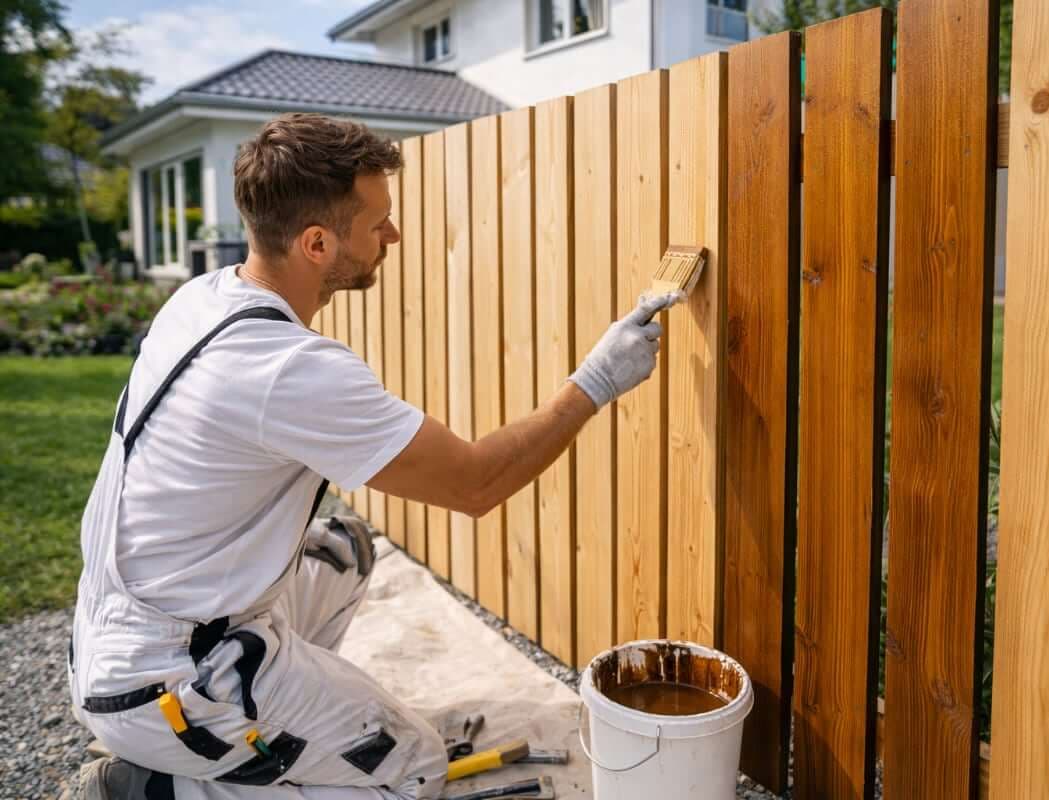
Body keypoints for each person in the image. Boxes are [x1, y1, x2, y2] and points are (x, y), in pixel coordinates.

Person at [65, 113, 677, 800]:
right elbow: (477, 482)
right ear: (318, 243)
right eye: (378, 220)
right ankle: (154, 786)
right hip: (169, 678)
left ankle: (281, 728)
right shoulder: (284, 369)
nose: (393, 234)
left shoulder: (203, 298)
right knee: (411, 767)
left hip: (127, 629)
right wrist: (595, 381)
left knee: (343, 549)